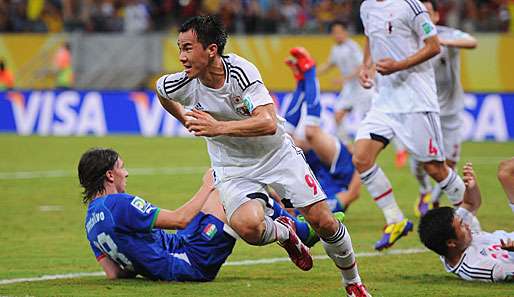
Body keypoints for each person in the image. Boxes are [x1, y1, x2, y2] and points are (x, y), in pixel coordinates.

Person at [155, 16, 371, 296]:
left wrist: (218, 127)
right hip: (232, 166)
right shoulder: (181, 84)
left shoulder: (240, 73)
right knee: (248, 228)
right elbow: (162, 91)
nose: (182, 57)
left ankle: (352, 283)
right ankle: (285, 233)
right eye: (179, 48)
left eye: (188, 48)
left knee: (324, 222)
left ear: (211, 50)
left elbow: (268, 122)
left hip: (276, 155)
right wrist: (183, 117)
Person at [80, 147, 323, 281]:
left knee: (225, 192)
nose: (127, 173)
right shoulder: (119, 204)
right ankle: (300, 231)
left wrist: (143, 261)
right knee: (229, 188)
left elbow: (115, 274)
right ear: (110, 175)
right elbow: (179, 220)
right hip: (191, 261)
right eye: (122, 168)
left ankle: (294, 228)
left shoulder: (90, 223)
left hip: (179, 246)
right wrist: (207, 185)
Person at [356, 0, 467, 251]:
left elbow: (434, 46)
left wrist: (398, 65)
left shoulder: (412, 5)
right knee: (362, 158)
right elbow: (370, 39)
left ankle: (471, 222)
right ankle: (395, 219)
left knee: (435, 169)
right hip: (384, 101)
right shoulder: (366, 7)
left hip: (415, 100)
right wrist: (366, 67)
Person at [412, 0, 478, 217]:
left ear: (436, 17)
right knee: (420, 164)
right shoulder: (410, 39)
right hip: (423, 109)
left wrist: (441, 41)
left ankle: (435, 198)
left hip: (450, 113)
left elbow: (472, 42)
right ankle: (424, 191)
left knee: (448, 164)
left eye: (428, 13)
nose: (424, 17)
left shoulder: (445, 33)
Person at [418, 161, 514, 282]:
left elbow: (470, 204)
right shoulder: (480, 267)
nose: (468, 225)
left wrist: (470, 187)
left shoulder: (451, 237)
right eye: (462, 226)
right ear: (451, 243)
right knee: (506, 173)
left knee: (505, 170)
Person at [317, 21, 375, 145]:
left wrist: (344, 79)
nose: (337, 35)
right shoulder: (335, 49)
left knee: (373, 119)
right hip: (349, 89)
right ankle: (346, 146)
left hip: (362, 87)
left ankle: (400, 149)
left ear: (345, 32)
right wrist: (313, 73)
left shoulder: (352, 46)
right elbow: (329, 64)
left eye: (339, 32)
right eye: (334, 32)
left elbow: (361, 66)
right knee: (338, 115)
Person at [283, 47, 339, 169]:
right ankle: (303, 79)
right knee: (285, 140)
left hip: (330, 160)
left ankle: (308, 73)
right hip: (313, 166)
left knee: (308, 133)